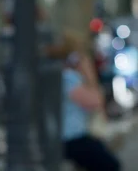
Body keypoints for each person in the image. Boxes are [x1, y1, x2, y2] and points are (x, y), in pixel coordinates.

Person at [47, 35, 121, 171]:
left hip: (67, 137)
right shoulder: (68, 77)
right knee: (111, 165)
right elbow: (96, 102)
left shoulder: (59, 75)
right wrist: (89, 73)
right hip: (71, 138)